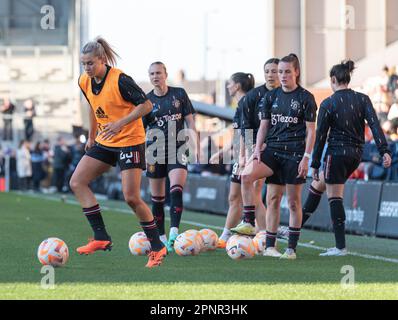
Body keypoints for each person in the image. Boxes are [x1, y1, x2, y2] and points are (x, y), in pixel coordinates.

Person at [70, 37, 167, 268]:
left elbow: (146, 105)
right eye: (84, 64)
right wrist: (92, 135)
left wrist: (120, 123)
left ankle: (157, 247)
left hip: (130, 141)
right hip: (105, 140)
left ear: (102, 60)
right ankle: (101, 237)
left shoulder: (120, 79)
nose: (87, 68)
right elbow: (93, 107)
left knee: (131, 197)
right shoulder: (84, 80)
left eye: (90, 63)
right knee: (77, 181)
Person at [235, 54, 317, 260]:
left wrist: (306, 157)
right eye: (280, 72)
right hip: (272, 150)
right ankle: (254, 228)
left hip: (294, 155)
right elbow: (263, 126)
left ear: (296, 72)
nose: (282, 76)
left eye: (287, 71)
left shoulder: (306, 98)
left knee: (293, 203)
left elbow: (311, 131)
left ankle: (291, 249)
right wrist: (256, 151)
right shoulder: (270, 97)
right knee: (248, 179)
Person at [311, 60, 392, 256]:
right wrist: (384, 151)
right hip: (356, 155)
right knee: (318, 186)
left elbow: (320, 135)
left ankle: (340, 247)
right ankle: (292, 232)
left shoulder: (328, 103)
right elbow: (375, 125)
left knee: (334, 196)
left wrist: (314, 163)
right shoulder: (363, 99)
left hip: (336, 154)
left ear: (333, 80)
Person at [143, 61, 198, 252]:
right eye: (152, 74)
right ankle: (161, 238)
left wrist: (193, 143)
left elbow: (190, 121)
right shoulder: (146, 101)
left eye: (158, 72)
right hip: (154, 151)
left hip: (178, 148)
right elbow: (140, 130)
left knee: (176, 189)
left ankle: (174, 232)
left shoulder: (179, 94)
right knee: (157, 199)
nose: (155, 76)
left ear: (165, 74)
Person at [209, 72, 260, 248]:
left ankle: (265, 237)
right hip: (241, 155)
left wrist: (246, 157)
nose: (228, 86)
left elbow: (252, 132)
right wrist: (222, 152)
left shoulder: (249, 103)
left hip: (252, 155)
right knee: (234, 197)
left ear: (237, 86)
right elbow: (238, 136)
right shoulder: (240, 105)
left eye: (230, 83)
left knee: (255, 198)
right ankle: (226, 235)